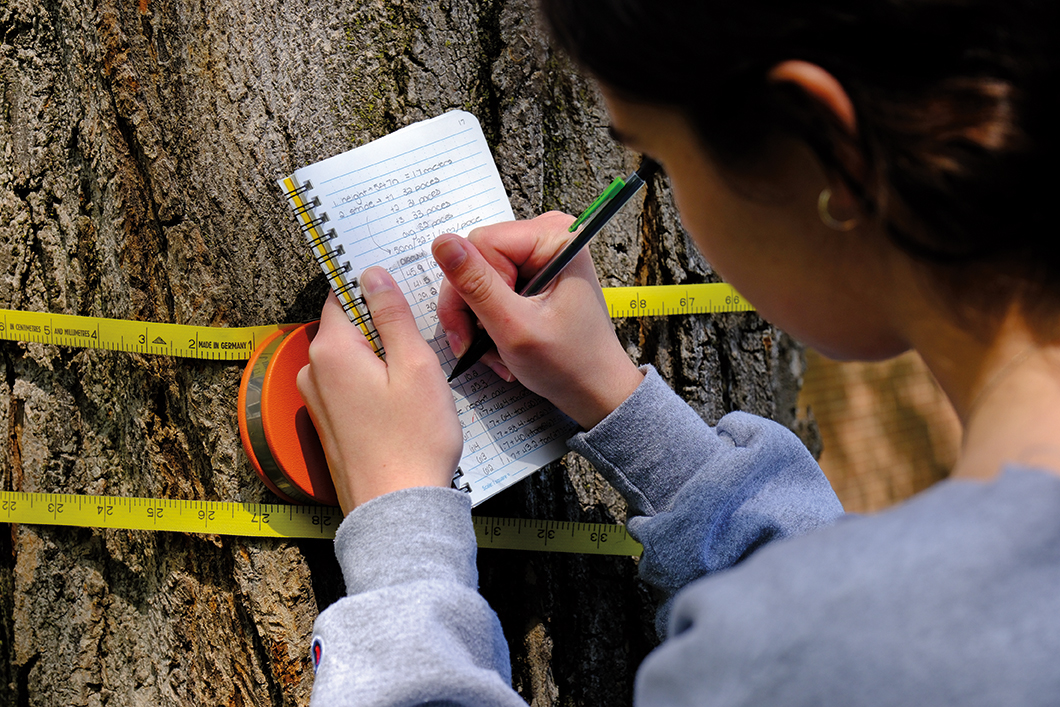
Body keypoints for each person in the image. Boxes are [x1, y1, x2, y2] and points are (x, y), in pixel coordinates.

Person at [296, 0, 1060, 704]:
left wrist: (402, 544)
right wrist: (626, 411)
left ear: (824, 148)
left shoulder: (799, 658)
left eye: (659, 160)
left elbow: (830, 649)